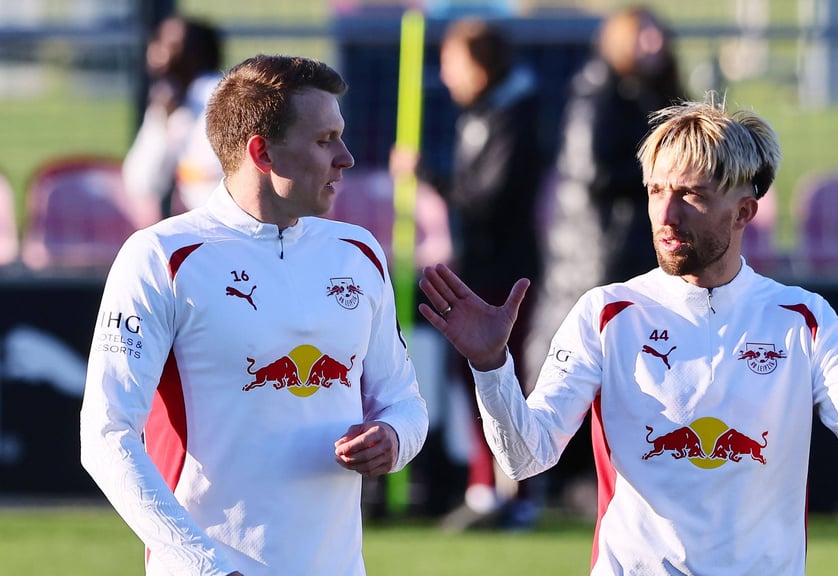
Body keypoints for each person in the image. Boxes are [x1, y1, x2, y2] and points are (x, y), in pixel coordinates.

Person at [417, 96, 838, 575]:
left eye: (691, 194)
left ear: (744, 212)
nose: (666, 213)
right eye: (656, 190)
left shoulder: (801, 318)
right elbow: (525, 456)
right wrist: (491, 367)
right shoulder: (608, 313)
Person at [81, 54, 428, 575]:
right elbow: (105, 436)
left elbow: (404, 402)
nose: (346, 158)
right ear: (262, 152)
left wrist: (394, 439)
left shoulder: (359, 252)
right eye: (323, 139)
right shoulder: (161, 256)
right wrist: (205, 565)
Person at [392, 17, 544, 530]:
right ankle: (485, 485)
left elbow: (488, 199)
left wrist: (427, 175)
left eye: (453, 63)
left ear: (481, 64)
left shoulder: (515, 118)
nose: (446, 75)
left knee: (504, 376)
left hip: (506, 272)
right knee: (471, 376)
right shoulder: (478, 116)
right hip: (476, 266)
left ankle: (516, 492)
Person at [525, 6, 687, 398]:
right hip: (595, 258)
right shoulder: (597, 92)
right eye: (642, 34)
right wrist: (665, 177)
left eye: (657, 33)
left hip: (630, 253)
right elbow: (592, 169)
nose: (656, 43)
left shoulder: (652, 94)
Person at [122, 15, 224, 217]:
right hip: (199, 219)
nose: (156, 53)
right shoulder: (168, 103)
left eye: (173, 46)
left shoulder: (219, 96)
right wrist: (162, 122)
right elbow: (141, 183)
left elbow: (213, 177)